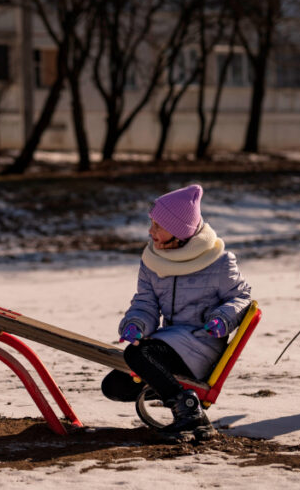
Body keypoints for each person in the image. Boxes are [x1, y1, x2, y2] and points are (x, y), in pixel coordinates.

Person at [101, 184, 252, 441]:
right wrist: (136, 322)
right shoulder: (153, 260)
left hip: (202, 344)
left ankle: (189, 411)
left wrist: (223, 319)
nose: (151, 232)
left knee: (138, 354)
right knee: (114, 386)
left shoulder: (218, 261)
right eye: (152, 224)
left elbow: (241, 297)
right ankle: (190, 411)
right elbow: (145, 302)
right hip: (169, 341)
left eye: (158, 226)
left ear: (180, 232)